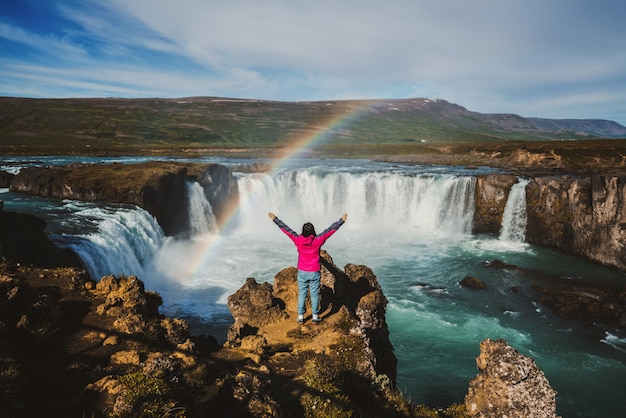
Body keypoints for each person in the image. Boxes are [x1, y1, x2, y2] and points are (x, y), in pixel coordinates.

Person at [268, 212, 347, 324]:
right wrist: (341, 221)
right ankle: (315, 317)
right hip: (314, 271)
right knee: (315, 294)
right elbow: (329, 231)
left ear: (303, 231)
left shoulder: (298, 240)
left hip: (302, 271)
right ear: (313, 231)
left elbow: (287, 230)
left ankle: (300, 317)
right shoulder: (317, 240)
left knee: (302, 294)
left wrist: (275, 219)